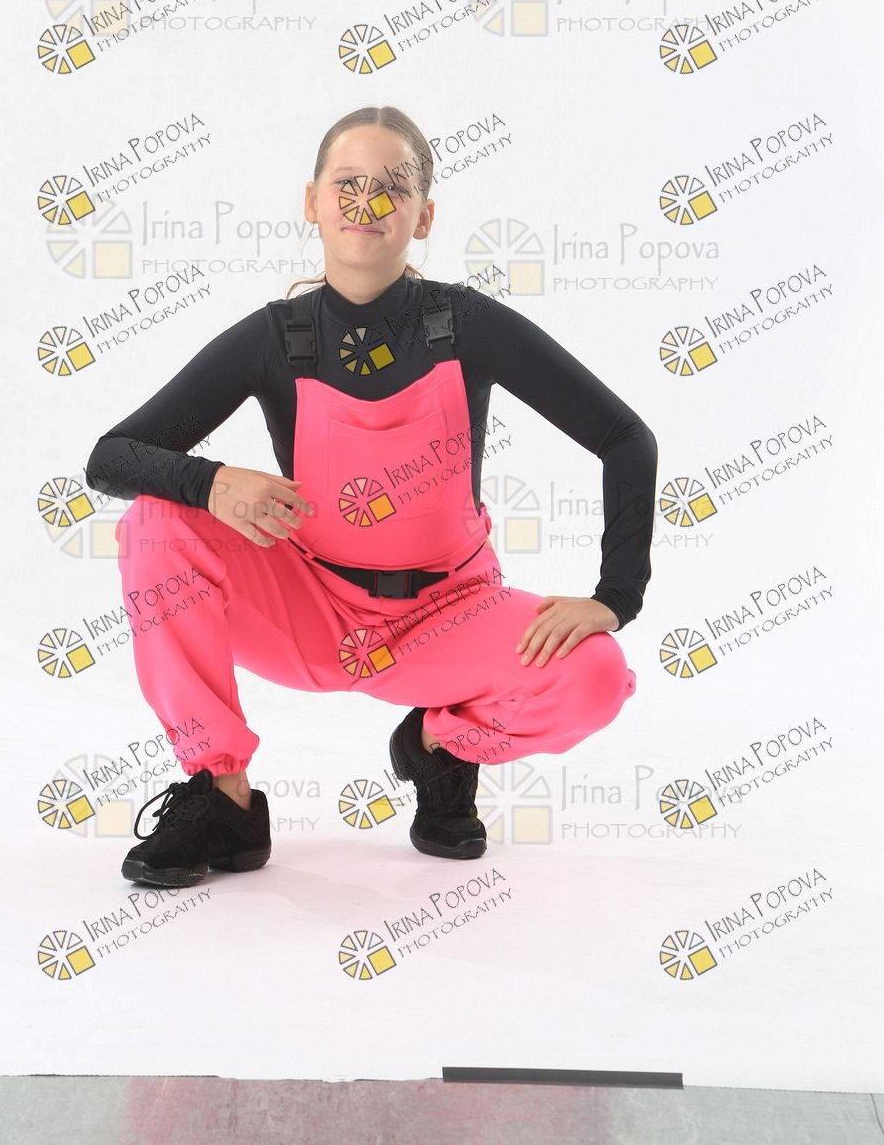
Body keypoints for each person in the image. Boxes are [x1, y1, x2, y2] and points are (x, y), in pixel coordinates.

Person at [84, 105, 658, 888]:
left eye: (393, 187)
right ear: (312, 202)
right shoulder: (273, 337)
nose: (367, 203)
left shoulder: (468, 325)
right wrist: (212, 482)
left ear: (423, 217)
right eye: (347, 184)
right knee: (156, 521)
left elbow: (624, 437)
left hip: (449, 615)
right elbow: (112, 458)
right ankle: (222, 796)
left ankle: (440, 745)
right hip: (310, 611)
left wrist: (615, 597)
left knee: (596, 676)